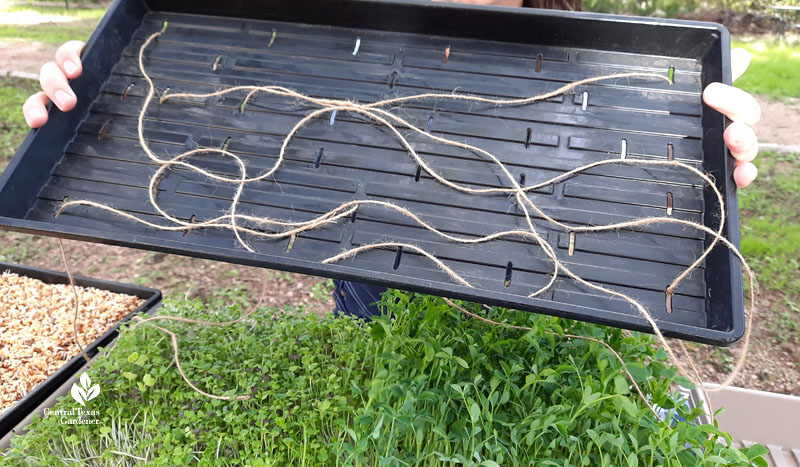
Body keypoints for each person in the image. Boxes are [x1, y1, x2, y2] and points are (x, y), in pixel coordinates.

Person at [23, 2, 761, 319]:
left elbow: (660, 179)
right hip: (373, 296)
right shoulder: (318, 37)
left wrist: (712, 146)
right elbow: (210, 78)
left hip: (558, 313)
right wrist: (90, 109)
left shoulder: (604, 66)